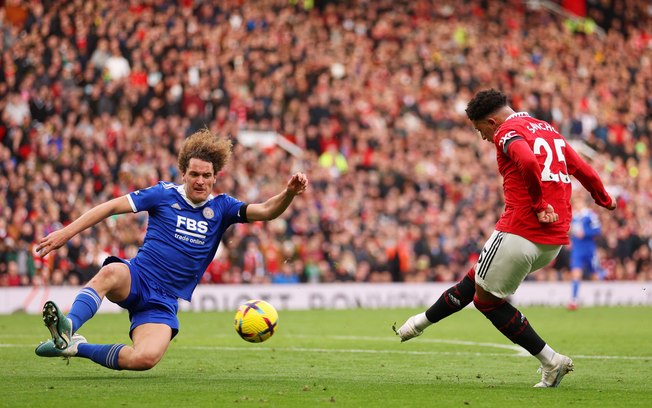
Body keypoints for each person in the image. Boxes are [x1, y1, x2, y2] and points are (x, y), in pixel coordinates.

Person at [393, 89, 616, 388]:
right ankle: (417, 324)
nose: (483, 137)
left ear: (491, 120)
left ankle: (552, 361)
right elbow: (581, 168)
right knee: (474, 282)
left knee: (486, 302)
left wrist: (538, 205)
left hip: (521, 229)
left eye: (480, 130)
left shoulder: (507, 130)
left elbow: (525, 160)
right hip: (554, 239)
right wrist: (603, 198)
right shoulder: (548, 130)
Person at [34, 129, 308, 370]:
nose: (200, 180)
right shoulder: (163, 194)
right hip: (137, 278)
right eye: (194, 174)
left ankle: (74, 346)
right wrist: (65, 233)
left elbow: (267, 210)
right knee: (112, 272)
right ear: (184, 174)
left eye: (206, 175)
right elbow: (110, 207)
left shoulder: (223, 207)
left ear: (215, 178)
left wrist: (289, 194)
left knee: (145, 359)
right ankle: (68, 325)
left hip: (163, 301)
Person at [567, 194, 604, 310]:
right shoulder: (573, 217)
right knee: (576, 273)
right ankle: (574, 300)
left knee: (594, 274)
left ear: (583, 204)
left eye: (578, 203)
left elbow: (598, 230)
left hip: (589, 249)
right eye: (575, 203)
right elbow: (570, 231)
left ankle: (600, 298)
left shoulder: (590, 215)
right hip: (577, 250)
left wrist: (585, 233)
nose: (577, 205)